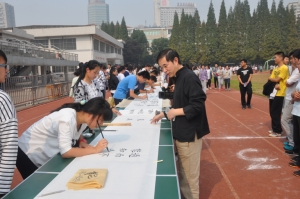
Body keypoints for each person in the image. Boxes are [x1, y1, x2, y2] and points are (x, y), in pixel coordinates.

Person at [151, 49, 210, 199]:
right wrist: (164, 114)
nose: (164, 70)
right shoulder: (179, 77)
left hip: (189, 134)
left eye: (166, 66)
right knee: (184, 175)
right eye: (162, 67)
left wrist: (174, 113)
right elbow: (181, 103)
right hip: (183, 131)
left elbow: (198, 105)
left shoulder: (189, 77)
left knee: (189, 180)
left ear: (175, 60)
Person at [17, 97, 112, 179]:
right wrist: (94, 150)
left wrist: (81, 141)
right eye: (100, 120)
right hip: (28, 152)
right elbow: (66, 152)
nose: (101, 124)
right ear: (90, 115)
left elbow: (77, 132)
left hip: (41, 150)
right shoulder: (66, 119)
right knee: (38, 187)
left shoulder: (82, 119)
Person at [0, 50, 18, 197]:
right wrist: (2, 189)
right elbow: (10, 146)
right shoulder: (2, 100)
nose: (7, 70)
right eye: (3, 66)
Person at [268, 52, 289, 137]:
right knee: (272, 111)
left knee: (275, 112)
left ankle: (278, 131)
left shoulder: (284, 68)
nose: (274, 59)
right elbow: (271, 78)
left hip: (280, 93)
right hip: (273, 92)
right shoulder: (276, 68)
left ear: (280, 58)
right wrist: (273, 79)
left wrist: (273, 79)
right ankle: (275, 128)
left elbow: (277, 79)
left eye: (275, 57)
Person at [282, 50, 299, 151]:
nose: (291, 60)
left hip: (292, 100)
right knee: (291, 121)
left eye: (292, 58)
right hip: (290, 97)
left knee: (285, 120)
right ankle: (292, 141)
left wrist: (288, 80)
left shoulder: (297, 71)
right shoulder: (294, 69)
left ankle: (292, 143)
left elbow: (288, 82)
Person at [289, 49, 300, 176]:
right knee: (297, 138)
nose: (298, 67)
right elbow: (294, 91)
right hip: (297, 110)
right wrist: (294, 95)